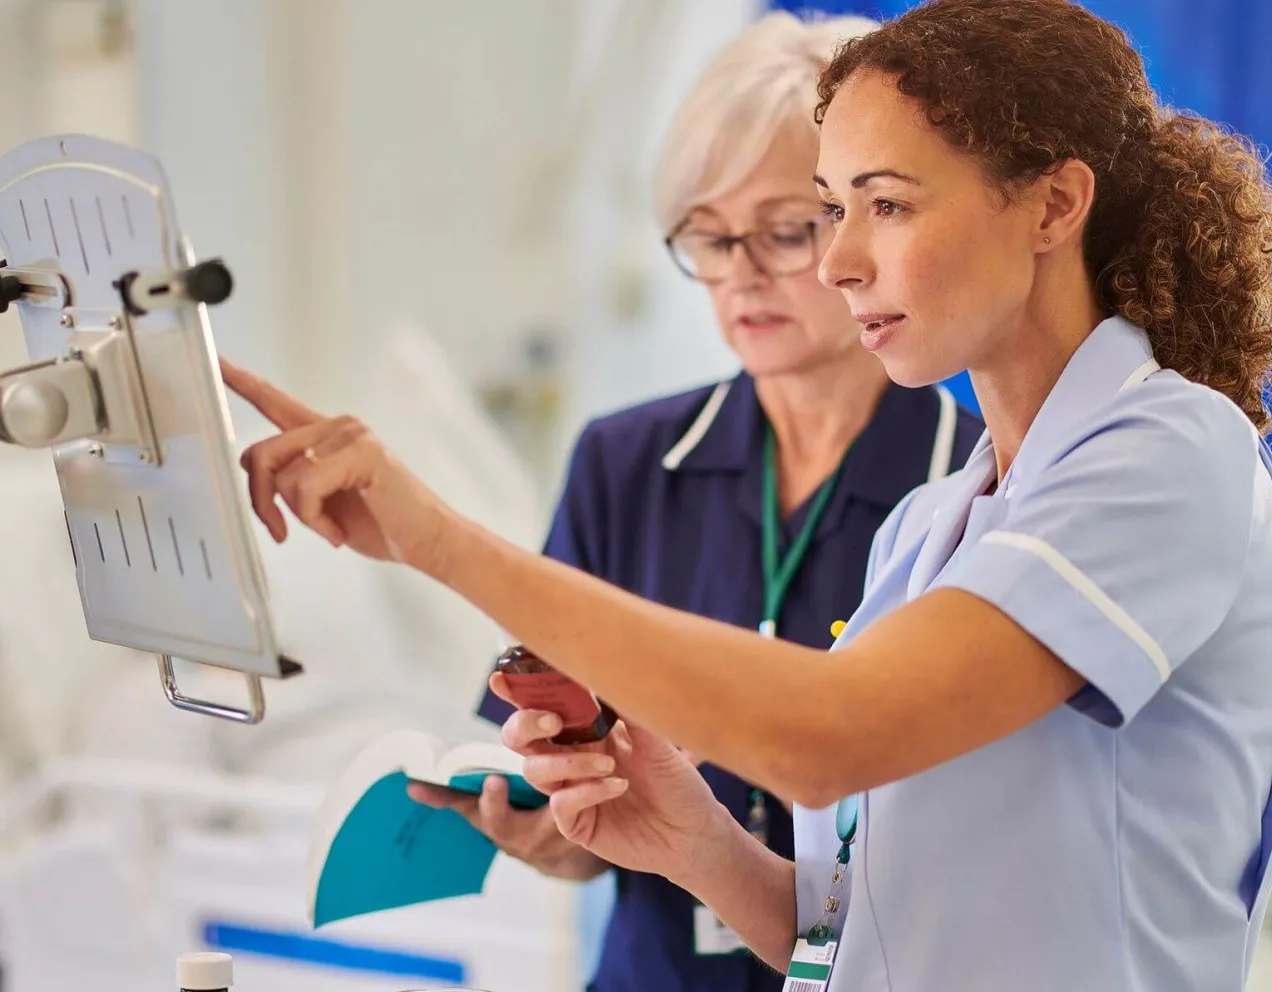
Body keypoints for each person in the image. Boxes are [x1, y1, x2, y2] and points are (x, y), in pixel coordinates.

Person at [220, 0, 1272, 988]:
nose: (842, 262)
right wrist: (697, 842)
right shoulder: (932, 524)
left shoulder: (1172, 449)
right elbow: (845, 935)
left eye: (887, 206)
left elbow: (829, 733)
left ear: (1054, 203)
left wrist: (438, 538)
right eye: (833, 210)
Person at [409, 12, 980, 992]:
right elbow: (560, 786)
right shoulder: (624, 464)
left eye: (783, 231)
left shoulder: (970, 482)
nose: (740, 274)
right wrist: (556, 831)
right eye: (708, 238)